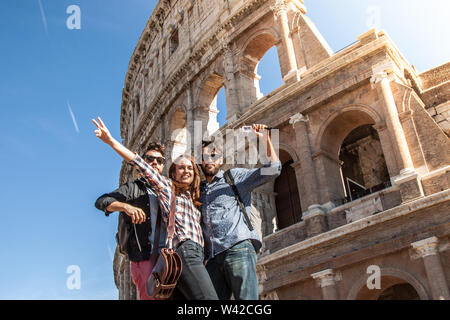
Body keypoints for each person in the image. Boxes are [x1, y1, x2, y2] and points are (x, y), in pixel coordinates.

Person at [92, 117, 218, 300]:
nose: (186, 171)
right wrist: (111, 141)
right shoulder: (165, 187)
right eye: (181, 168)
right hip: (172, 252)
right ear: (173, 173)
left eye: (190, 168)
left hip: (191, 254)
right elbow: (137, 163)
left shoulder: (191, 197)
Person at [200, 124, 281, 300]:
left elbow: (274, 169)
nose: (210, 159)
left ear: (221, 160)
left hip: (238, 248)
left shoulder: (234, 177)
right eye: (205, 156)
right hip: (212, 258)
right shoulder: (199, 190)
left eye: (214, 155)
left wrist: (264, 138)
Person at [94, 142, 168, 300]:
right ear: (141, 163)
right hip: (144, 256)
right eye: (149, 159)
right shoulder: (132, 188)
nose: (155, 163)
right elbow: (102, 201)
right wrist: (125, 207)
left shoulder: (167, 189)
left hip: (167, 255)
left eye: (159, 160)